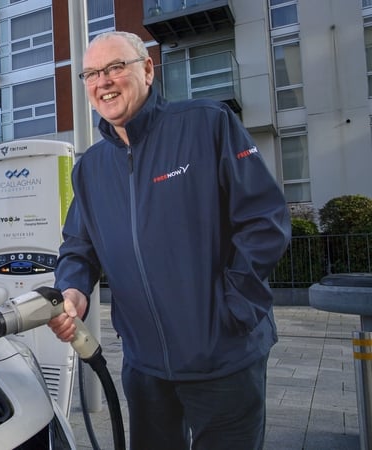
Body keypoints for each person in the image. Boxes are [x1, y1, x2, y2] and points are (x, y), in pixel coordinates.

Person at [47, 31, 291, 450]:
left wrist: (233, 309)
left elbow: (265, 221)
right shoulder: (89, 169)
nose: (102, 81)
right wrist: (72, 289)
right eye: (91, 73)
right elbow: (77, 248)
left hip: (223, 357)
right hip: (146, 367)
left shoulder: (207, 123)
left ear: (147, 69)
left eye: (115, 67)